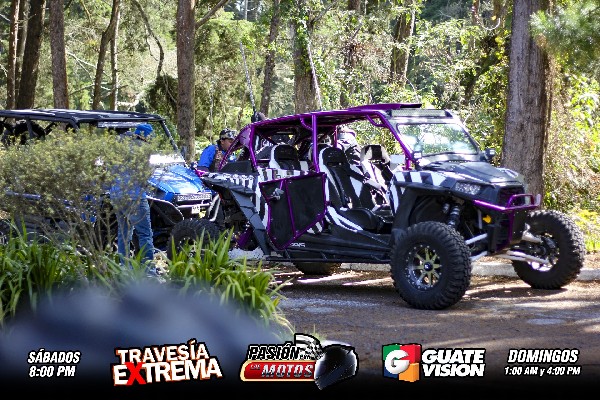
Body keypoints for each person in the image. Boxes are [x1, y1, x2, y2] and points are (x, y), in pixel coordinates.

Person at [109, 123, 156, 273]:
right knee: (145, 234)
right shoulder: (143, 148)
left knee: (123, 233)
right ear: (146, 136)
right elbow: (147, 174)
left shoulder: (116, 145)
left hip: (116, 195)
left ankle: (124, 268)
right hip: (135, 196)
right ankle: (149, 271)